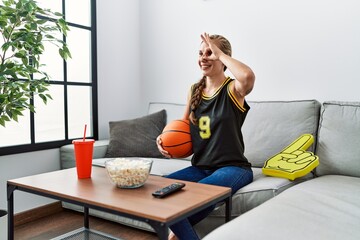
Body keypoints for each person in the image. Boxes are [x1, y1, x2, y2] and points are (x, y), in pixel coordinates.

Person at [156, 32, 255, 240]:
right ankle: (178, 232)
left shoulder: (232, 90)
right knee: (157, 192)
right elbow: (183, 131)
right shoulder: (194, 90)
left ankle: (176, 233)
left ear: (222, 58)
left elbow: (247, 76)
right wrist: (165, 141)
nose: (204, 57)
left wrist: (218, 53)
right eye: (201, 52)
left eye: (210, 52)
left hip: (233, 167)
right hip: (199, 167)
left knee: (195, 195)